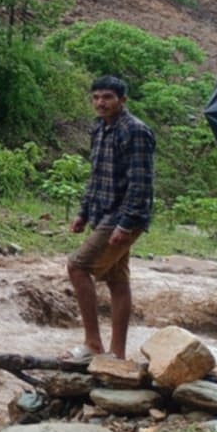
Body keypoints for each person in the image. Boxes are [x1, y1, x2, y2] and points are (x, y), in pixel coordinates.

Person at [64, 75, 155, 361]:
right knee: (117, 282)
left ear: (122, 100)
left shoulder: (135, 131)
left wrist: (126, 224)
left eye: (107, 97)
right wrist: (82, 212)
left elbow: (141, 183)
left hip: (122, 216)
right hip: (102, 213)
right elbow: (96, 176)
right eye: (96, 97)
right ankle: (117, 355)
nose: (100, 102)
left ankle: (93, 345)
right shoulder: (99, 129)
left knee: (77, 267)